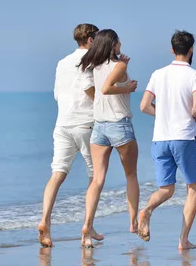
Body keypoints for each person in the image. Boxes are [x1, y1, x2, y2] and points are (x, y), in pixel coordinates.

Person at [138, 30, 196, 250]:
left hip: (160, 139)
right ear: (191, 49)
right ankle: (184, 240)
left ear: (172, 49)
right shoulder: (195, 75)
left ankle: (147, 210)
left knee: (166, 189)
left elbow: (144, 105)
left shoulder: (158, 74)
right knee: (192, 188)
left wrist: (165, 113)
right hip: (184, 138)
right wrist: (193, 115)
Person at [38, 23, 103, 248]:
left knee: (57, 174)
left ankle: (45, 220)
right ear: (91, 40)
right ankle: (88, 226)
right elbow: (89, 88)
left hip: (62, 123)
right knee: (95, 176)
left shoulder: (61, 62)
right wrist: (102, 104)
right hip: (86, 122)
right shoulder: (93, 60)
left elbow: (57, 94)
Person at [77, 29, 139, 248]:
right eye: (118, 40)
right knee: (130, 175)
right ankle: (133, 222)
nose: (121, 42)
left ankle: (87, 224)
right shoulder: (119, 66)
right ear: (113, 44)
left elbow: (102, 85)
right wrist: (127, 86)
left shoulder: (94, 67)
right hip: (119, 124)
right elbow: (106, 89)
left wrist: (124, 71)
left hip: (99, 127)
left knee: (97, 180)